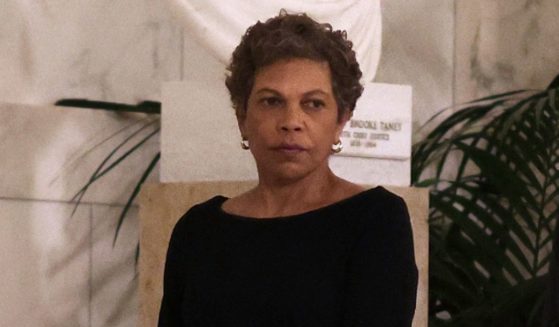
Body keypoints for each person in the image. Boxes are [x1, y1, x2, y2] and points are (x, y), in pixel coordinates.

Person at [159, 11, 418, 327]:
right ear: (242, 117)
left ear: (341, 121)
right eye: (271, 101)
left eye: (313, 104)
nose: (291, 122)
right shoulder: (197, 232)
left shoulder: (375, 221)